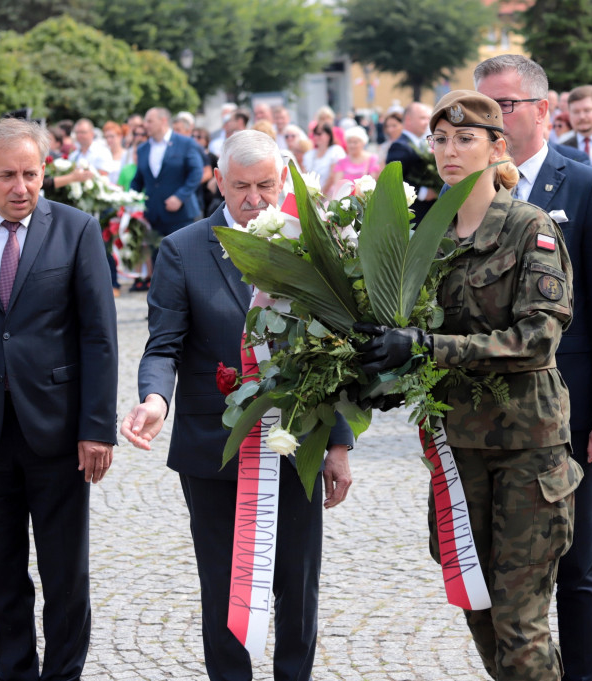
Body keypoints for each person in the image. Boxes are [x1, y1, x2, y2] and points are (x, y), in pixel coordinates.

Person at [356, 90, 580, 680]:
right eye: (441, 139)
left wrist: (430, 348)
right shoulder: (426, 235)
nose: (450, 151)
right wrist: (375, 368)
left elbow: (537, 339)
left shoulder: (529, 228)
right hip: (458, 451)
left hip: (528, 449)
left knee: (520, 619)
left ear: (495, 147)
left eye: (465, 138)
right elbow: (408, 335)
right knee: (477, 607)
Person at [121, 130, 353, 681]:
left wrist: (339, 443)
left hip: (298, 439)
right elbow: (164, 344)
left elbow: (338, 351)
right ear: (218, 180)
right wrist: (154, 398)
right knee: (224, 587)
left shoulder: (313, 246)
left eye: (266, 186)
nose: (254, 199)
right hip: (214, 448)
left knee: (297, 586)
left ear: (283, 180)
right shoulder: (180, 250)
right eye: (242, 186)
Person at [0, 117, 118, 681]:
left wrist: (97, 427)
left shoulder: (77, 230)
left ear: (45, 174)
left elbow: (99, 337)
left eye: (31, 174)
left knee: (65, 574)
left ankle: (63, 674)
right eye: (7, 175)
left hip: (58, 432)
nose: (21, 187)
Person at [473, 55, 592, 681]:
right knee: (504, 566)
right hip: (490, 419)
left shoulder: (585, 186)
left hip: (568, 411)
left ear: (544, 110)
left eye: (504, 106)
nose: (492, 119)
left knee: (577, 564)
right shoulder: (474, 193)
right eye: (483, 106)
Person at [130, 107, 204, 286]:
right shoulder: (143, 149)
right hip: (154, 216)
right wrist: (126, 200)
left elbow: (196, 172)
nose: (145, 125)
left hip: (180, 215)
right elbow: (139, 180)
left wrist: (180, 196)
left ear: (163, 121)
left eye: (149, 121)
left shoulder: (185, 143)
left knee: (184, 262)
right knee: (159, 265)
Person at [386, 102, 436, 223]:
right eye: (423, 118)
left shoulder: (421, 143)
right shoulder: (400, 146)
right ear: (408, 119)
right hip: (413, 213)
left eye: (428, 118)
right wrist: (423, 192)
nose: (427, 122)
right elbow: (393, 180)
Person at [329, 125, 381, 194]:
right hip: (345, 198)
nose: (352, 145)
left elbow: (373, 182)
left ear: (363, 143)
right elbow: (337, 184)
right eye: (349, 142)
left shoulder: (372, 159)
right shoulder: (341, 161)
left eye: (355, 142)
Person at [302, 122, 346, 195]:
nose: (316, 137)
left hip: (329, 196)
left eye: (319, 134)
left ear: (329, 135)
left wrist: (320, 195)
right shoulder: (308, 154)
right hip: (310, 197)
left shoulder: (336, 151)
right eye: (314, 134)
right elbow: (304, 175)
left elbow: (333, 176)